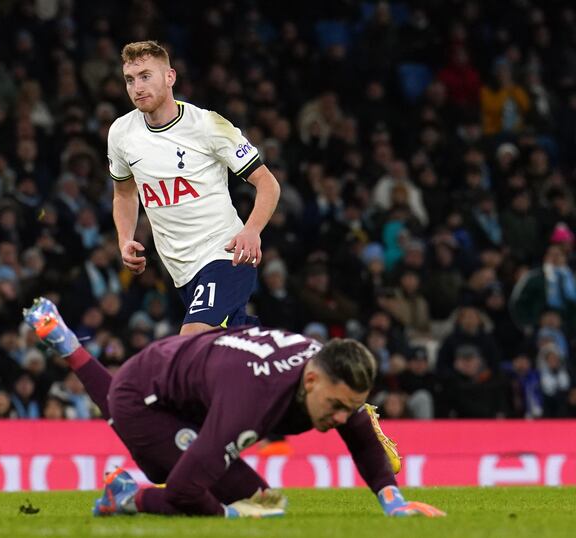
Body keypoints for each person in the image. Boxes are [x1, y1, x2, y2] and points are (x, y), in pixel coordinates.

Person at [23, 297, 444, 519]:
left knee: (262, 500)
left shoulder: (329, 372)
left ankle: (69, 347)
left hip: (188, 373)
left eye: (347, 409)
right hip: (147, 396)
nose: (339, 418)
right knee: (226, 500)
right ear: (311, 380)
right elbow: (187, 490)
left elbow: (361, 435)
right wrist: (225, 518)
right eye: (336, 407)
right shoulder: (252, 400)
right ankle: (125, 497)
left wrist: (394, 500)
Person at [107, 41, 281, 335]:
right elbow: (124, 193)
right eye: (130, 79)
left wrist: (251, 231)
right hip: (180, 273)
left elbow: (268, 183)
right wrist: (125, 239)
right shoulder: (121, 133)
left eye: (146, 76)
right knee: (227, 357)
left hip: (224, 255)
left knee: (188, 347)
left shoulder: (207, 125)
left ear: (170, 77)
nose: (137, 87)